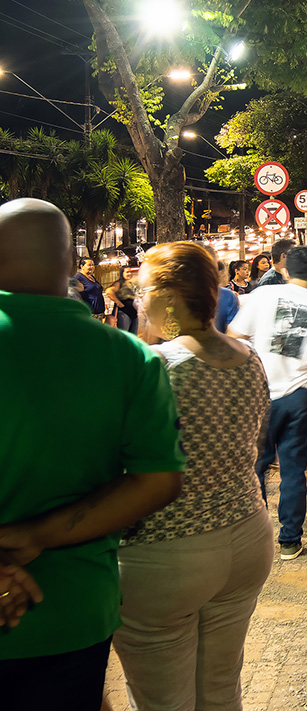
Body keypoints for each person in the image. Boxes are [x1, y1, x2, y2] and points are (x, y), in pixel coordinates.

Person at [0, 199, 185, 709]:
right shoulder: (129, 358)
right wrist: (33, 537)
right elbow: (159, 480)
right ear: (70, 266)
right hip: (73, 608)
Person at [115, 242, 274, 711]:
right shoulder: (249, 358)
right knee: (221, 688)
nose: (138, 301)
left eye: (143, 290)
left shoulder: (155, 367)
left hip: (165, 551)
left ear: (168, 296)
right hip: (246, 536)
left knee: (164, 701)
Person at [228, 246, 307, 560]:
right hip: (299, 396)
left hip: (258, 395)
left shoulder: (261, 297)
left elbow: (232, 335)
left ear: (284, 271)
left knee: (257, 466)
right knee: (293, 469)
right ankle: (289, 540)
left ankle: (257, 536)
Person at [106, 268, 140, 334]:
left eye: (130, 272)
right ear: (122, 273)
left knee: (133, 335)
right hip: (124, 313)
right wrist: (118, 302)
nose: (129, 274)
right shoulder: (119, 283)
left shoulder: (131, 283)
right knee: (124, 334)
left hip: (134, 313)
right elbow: (109, 291)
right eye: (127, 272)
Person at [72, 256, 106, 320]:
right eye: (89, 265)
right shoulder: (78, 278)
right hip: (89, 316)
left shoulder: (92, 277)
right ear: (82, 266)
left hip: (99, 315)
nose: (92, 267)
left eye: (93, 265)